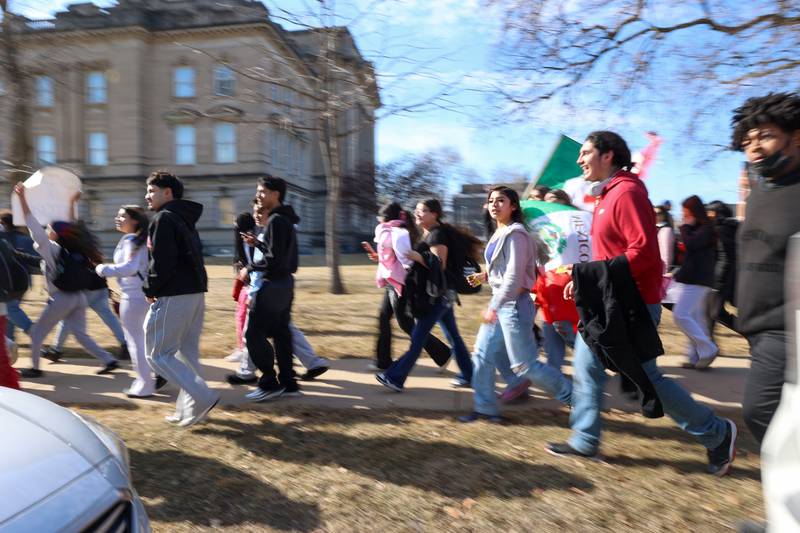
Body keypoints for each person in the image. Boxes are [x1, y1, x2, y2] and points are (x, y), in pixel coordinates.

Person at [545, 131, 736, 478]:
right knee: (587, 369)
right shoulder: (607, 195)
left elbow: (643, 253)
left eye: (586, 152)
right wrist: (584, 281)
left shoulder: (628, 192)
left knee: (646, 379)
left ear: (608, 155)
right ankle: (585, 440)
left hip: (630, 305)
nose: (579, 159)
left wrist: (593, 276)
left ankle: (717, 432)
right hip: (607, 302)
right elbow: (611, 254)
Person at [459, 186, 573, 422]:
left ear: (513, 206)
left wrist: (494, 306)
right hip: (501, 302)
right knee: (481, 355)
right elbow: (504, 271)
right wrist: (485, 277)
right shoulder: (500, 232)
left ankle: (577, 399)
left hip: (513, 306)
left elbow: (514, 277)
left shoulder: (517, 234)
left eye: (501, 200)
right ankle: (485, 408)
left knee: (526, 366)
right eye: (491, 200)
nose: (494, 204)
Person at [731, 92, 800, 445]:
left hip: (787, 331)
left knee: (760, 410)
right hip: (757, 331)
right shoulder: (759, 193)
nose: (754, 148)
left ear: (796, 136)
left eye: (766, 136)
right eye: (747, 141)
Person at [13, 184, 118, 378]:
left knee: (37, 333)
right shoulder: (75, 247)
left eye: (49, 228)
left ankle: (35, 368)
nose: (46, 229)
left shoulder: (50, 247)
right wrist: (72, 202)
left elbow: (31, 223)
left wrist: (22, 198)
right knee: (80, 334)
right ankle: (109, 360)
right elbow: (71, 225)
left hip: (61, 298)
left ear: (54, 233)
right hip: (79, 296)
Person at [143, 170, 218, 427]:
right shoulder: (182, 218)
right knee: (186, 356)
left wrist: (149, 288)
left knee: (157, 355)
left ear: (168, 193)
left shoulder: (164, 219)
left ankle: (203, 396)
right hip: (195, 293)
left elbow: (162, 262)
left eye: (152, 191)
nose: (147, 196)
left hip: (175, 294)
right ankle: (190, 411)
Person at [376, 198, 474, 391]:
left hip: (438, 295)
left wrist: (416, 256)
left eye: (422, 211)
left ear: (434, 214)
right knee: (453, 337)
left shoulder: (437, 235)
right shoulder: (430, 233)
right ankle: (469, 374)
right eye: (416, 210)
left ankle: (395, 377)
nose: (417, 213)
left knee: (418, 338)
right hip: (443, 293)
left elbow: (440, 264)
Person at [227, 199, 328, 386]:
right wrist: (256, 244)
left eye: (260, 212)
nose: (256, 215)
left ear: (269, 213)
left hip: (267, 289)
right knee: (282, 330)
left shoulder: (273, 229)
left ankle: (260, 376)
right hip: (271, 289)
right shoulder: (266, 232)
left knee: (255, 332)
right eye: (255, 211)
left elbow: (269, 262)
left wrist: (249, 276)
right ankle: (305, 367)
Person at [365, 201, 452, 371]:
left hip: (401, 283)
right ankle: (383, 361)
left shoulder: (400, 232)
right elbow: (395, 256)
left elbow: (406, 258)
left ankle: (443, 354)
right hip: (392, 282)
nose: (379, 222)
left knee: (407, 324)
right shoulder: (391, 231)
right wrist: (379, 257)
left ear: (388, 218)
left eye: (381, 218)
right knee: (384, 318)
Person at [239, 176, 302, 402]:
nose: (259, 195)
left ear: (276, 194)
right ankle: (288, 382)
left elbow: (273, 259)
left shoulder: (276, 220)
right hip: (285, 284)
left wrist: (250, 267)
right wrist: (259, 245)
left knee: (253, 333)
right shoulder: (285, 220)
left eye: (262, 191)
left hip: (272, 284)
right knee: (281, 334)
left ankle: (269, 382)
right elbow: (281, 254)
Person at [94, 206, 155, 398]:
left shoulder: (132, 239)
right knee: (143, 341)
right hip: (142, 295)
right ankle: (147, 380)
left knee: (135, 342)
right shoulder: (139, 238)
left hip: (133, 296)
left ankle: (145, 384)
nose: (117, 218)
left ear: (134, 220)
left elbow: (129, 268)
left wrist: (103, 269)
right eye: (117, 215)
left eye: (122, 216)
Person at [42, 267, 129, 362]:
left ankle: (56, 350)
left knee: (67, 318)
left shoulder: (70, 252)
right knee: (108, 317)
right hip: (101, 286)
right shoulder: (89, 252)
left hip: (86, 289)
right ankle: (125, 344)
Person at [673, 195, 719, 370]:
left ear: (694, 212)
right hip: (696, 279)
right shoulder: (701, 228)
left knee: (680, 315)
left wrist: (684, 227)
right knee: (696, 318)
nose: (684, 215)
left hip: (698, 280)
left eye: (686, 212)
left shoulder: (706, 228)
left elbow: (691, 244)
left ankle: (708, 349)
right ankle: (695, 357)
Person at [0, 211, 36, 349]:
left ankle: (33, 332)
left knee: (11, 310)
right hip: (22, 281)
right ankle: (8, 344)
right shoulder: (25, 238)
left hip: (7, 284)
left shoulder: (5, 239)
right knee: (8, 314)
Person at [226, 209, 257, 363]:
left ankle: (244, 351)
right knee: (241, 317)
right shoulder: (243, 241)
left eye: (236, 226)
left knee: (244, 319)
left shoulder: (253, 240)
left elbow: (256, 263)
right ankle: (241, 349)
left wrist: (247, 270)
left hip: (255, 285)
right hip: (247, 285)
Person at [705, 200, 739, 334]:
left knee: (715, 312)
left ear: (717, 214)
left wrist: (717, 282)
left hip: (723, 279)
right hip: (721, 277)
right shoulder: (721, 229)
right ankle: (706, 345)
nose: (707, 214)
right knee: (710, 313)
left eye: (710, 212)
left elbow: (726, 258)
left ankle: (748, 331)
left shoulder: (723, 230)